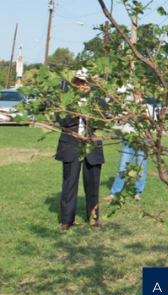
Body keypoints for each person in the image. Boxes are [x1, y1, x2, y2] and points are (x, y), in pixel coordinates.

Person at [55, 70, 105, 231]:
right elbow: (61, 121)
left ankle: (94, 217)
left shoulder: (98, 101)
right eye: (79, 82)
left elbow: (102, 122)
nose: (82, 86)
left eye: (85, 82)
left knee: (93, 183)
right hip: (71, 145)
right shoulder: (64, 100)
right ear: (73, 83)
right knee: (69, 183)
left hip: (92, 145)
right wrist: (76, 112)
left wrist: (89, 115)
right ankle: (67, 219)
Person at [104, 94, 150, 202]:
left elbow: (150, 123)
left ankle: (138, 193)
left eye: (138, 93)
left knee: (141, 168)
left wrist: (144, 114)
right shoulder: (126, 105)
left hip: (142, 141)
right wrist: (131, 113)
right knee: (122, 167)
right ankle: (114, 193)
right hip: (128, 140)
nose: (136, 95)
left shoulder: (147, 106)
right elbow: (120, 120)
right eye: (134, 93)